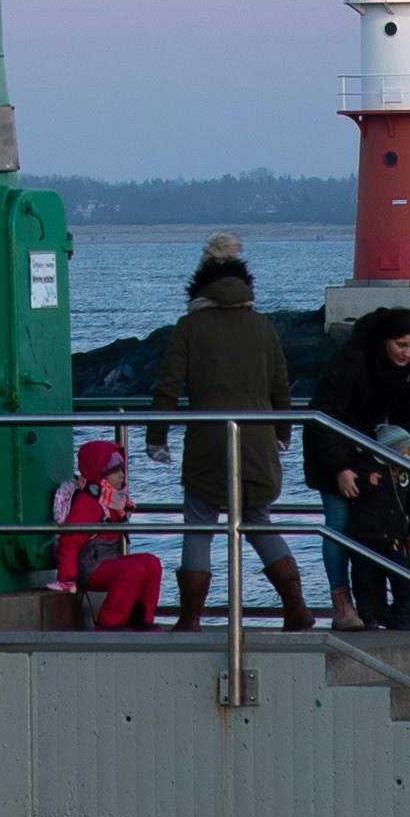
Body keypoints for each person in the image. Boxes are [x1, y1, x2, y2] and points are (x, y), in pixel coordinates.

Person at [146, 235, 314, 631]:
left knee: (199, 525)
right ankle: (297, 608)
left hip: (207, 440)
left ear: (199, 287)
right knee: (258, 521)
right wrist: (283, 432)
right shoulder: (262, 326)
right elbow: (281, 386)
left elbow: (168, 385)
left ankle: (190, 618)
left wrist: (156, 438)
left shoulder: (189, 327)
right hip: (257, 439)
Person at [309, 306, 410, 630]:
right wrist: (340, 468)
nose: (407, 353)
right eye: (401, 344)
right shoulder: (352, 360)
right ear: (384, 340)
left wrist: (406, 461)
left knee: (378, 527)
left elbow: (407, 418)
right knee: (339, 523)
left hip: (376, 454)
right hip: (331, 449)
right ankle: (342, 604)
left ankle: (377, 606)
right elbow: (324, 417)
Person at [51, 437, 163, 628]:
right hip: (88, 567)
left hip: (106, 559)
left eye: (122, 470)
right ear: (100, 474)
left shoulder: (113, 501)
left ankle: (141, 620)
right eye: (115, 471)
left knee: (151, 564)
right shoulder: (87, 503)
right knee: (131, 571)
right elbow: (69, 542)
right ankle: (108, 625)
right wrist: (67, 578)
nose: (122, 476)